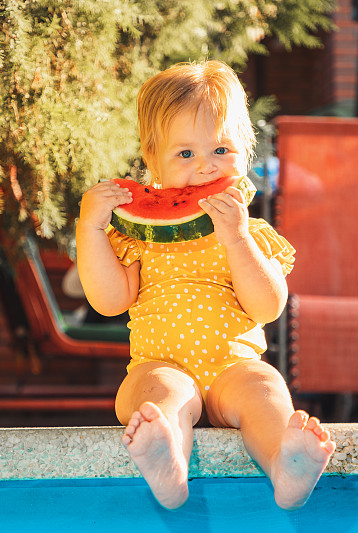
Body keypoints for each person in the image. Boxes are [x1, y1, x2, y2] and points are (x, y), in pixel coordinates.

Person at [75, 60, 334, 511]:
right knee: (164, 394)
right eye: (185, 154)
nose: (205, 169)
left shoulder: (250, 234)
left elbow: (267, 306)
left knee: (266, 387)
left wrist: (236, 237)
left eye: (221, 150)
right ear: (151, 160)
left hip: (232, 366)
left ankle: (285, 465)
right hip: (158, 363)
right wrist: (90, 229)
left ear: (245, 154)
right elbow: (111, 301)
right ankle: (167, 460)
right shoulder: (139, 235)